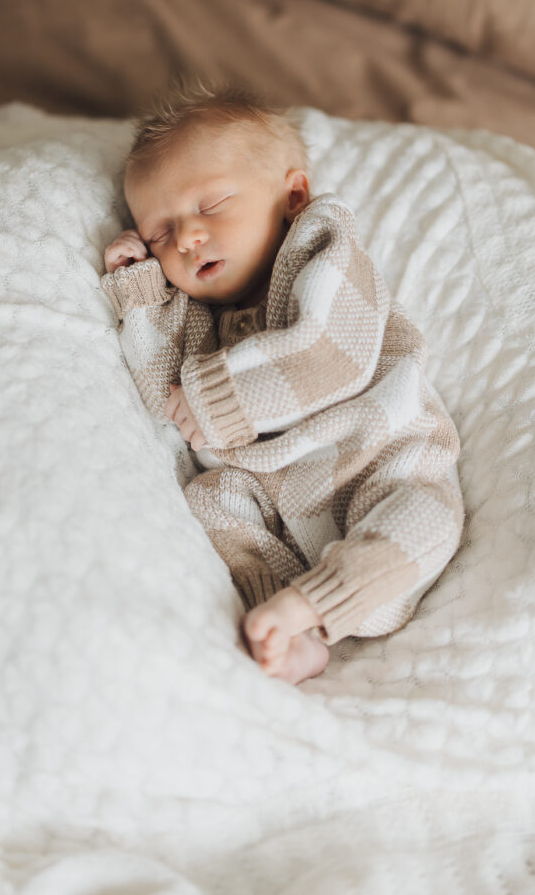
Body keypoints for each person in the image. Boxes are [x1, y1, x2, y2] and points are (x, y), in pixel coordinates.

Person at [101, 82, 464, 685]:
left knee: (427, 519)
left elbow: (332, 352)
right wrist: (141, 292)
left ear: (293, 196)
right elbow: (165, 394)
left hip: (382, 451)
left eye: (210, 205)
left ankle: (318, 607)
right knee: (210, 499)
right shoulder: (200, 316)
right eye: (161, 233)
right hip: (278, 493)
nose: (187, 237)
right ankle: (282, 620)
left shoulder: (322, 248)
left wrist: (217, 398)